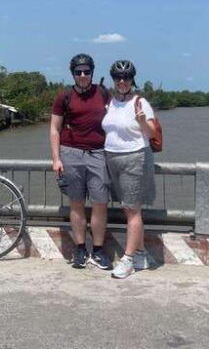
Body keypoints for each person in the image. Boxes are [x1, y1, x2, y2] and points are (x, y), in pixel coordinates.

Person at [50, 53, 113, 270]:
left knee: (100, 203)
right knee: (76, 203)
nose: (83, 75)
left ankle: (97, 249)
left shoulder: (104, 94)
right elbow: (54, 129)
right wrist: (56, 158)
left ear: (92, 72)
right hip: (71, 153)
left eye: (87, 71)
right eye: (79, 72)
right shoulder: (63, 97)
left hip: (98, 153)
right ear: (73, 74)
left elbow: (118, 121)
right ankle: (79, 248)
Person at [102, 59, 157, 279]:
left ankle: (128, 260)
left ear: (133, 79)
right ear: (114, 80)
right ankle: (142, 254)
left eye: (126, 77)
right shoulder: (111, 102)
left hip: (135, 157)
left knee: (132, 210)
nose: (122, 81)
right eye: (118, 78)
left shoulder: (140, 102)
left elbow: (152, 133)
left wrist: (142, 121)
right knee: (128, 209)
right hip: (112, 157)